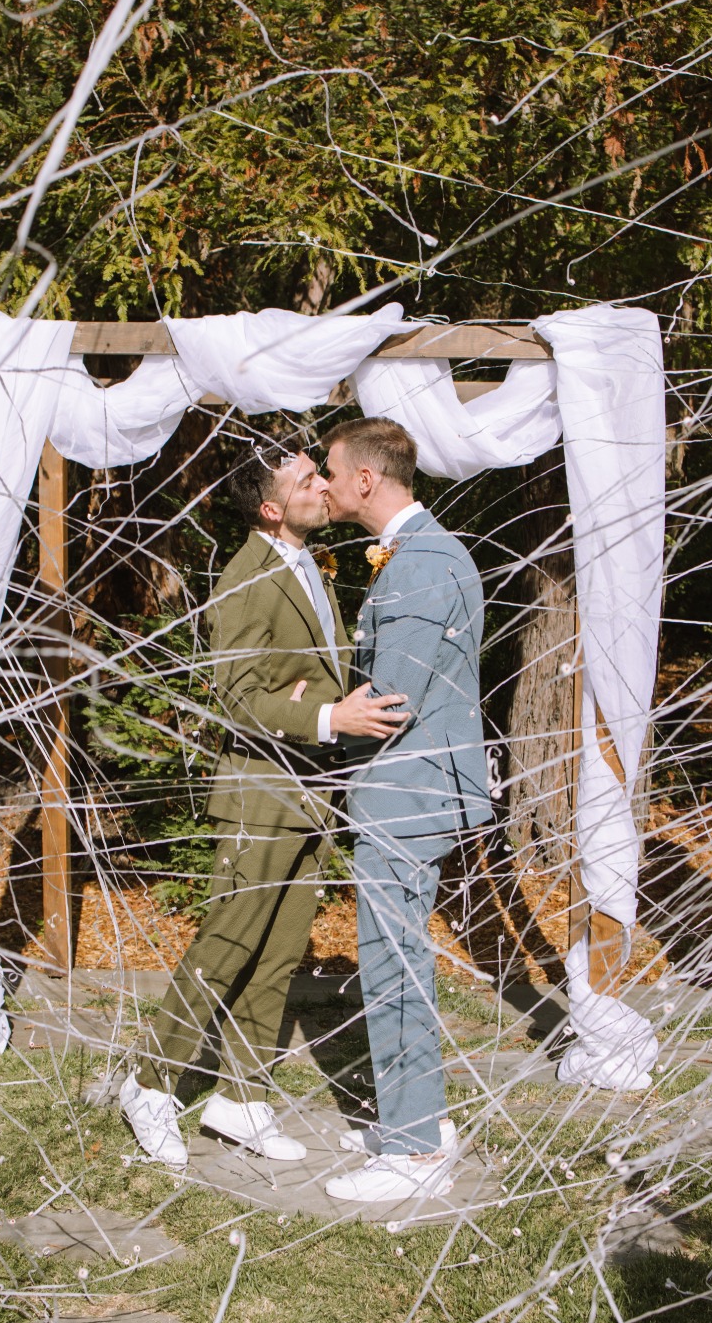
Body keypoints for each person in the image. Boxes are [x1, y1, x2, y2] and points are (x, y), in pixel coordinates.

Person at [119, 440, 408, 1167]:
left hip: (311, 789)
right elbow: (239, 696)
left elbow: (317, 668)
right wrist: (322, 718)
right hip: (260, 789)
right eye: (307, 480)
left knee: (279, 953)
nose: (322, 486)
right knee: (228, 944)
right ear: (273, 508)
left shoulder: (312, 564)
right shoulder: (245, 575)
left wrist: (331, 708)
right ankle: (150, 1082)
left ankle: (241, 1099)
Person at [320, 418, 491, 1206]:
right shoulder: (420, 554)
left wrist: (326, 716)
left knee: (392, 963)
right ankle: (414, 1118)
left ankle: (416, 1146)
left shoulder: (422, 563)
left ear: (365, 479)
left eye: (329, 472)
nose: (322, 485)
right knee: (397, 956)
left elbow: (391, 701)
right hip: (410, 786)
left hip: (406, 789)